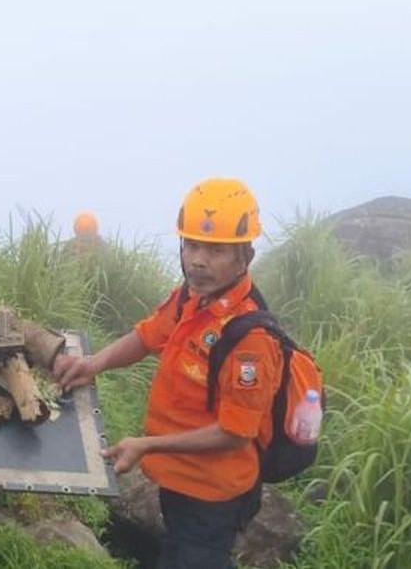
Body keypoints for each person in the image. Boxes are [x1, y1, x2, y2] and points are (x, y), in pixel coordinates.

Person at [53, 178, 279, 569]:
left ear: (246, 256)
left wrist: (148, 445)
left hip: (213, 496)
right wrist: (94, 364)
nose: (198, 260)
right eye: (191, 245)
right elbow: (146, 336)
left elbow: (234, 431)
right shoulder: (190, 299)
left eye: (215, 250)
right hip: (179, 483)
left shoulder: (250, 339)